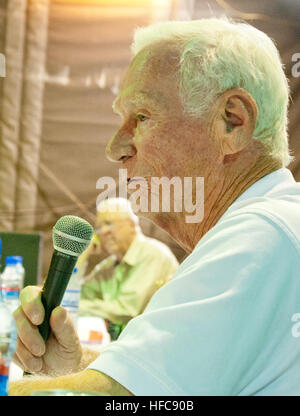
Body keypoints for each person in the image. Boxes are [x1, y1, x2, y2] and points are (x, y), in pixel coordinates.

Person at [9, 18, 300, 395]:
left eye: (142, 117)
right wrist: (75, 368)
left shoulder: (262, 236)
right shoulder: (269, 228)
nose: (115, 149)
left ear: (233, 122)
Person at [78, 197, 179, 339]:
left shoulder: (153, 254)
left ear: (132, 225)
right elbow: (73, 295)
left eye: (108, 223)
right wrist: (81, 257)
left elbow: (127, 309)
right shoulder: (108, 266)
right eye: (99, 227)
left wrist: (77, 307)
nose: (103, 232)